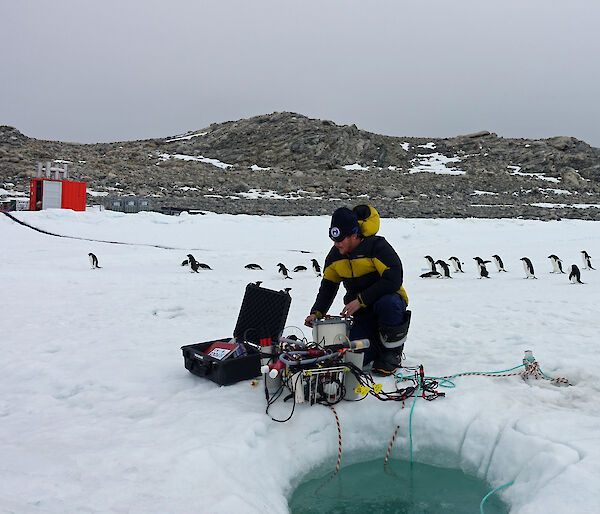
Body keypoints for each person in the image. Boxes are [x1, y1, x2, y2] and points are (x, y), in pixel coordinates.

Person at [304, 205, 410, 376]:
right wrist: (317, 312)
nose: (336, 244)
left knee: (388, 303)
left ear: (354, 235)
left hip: (387, 303)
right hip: (363, 314)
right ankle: (375, 346)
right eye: (333, 239)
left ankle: (392, 353)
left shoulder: (377, 246)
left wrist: (362, 299)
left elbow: (394, 278)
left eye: (340, 240)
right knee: (353, 357)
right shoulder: (335, 256)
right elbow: (328, 287)